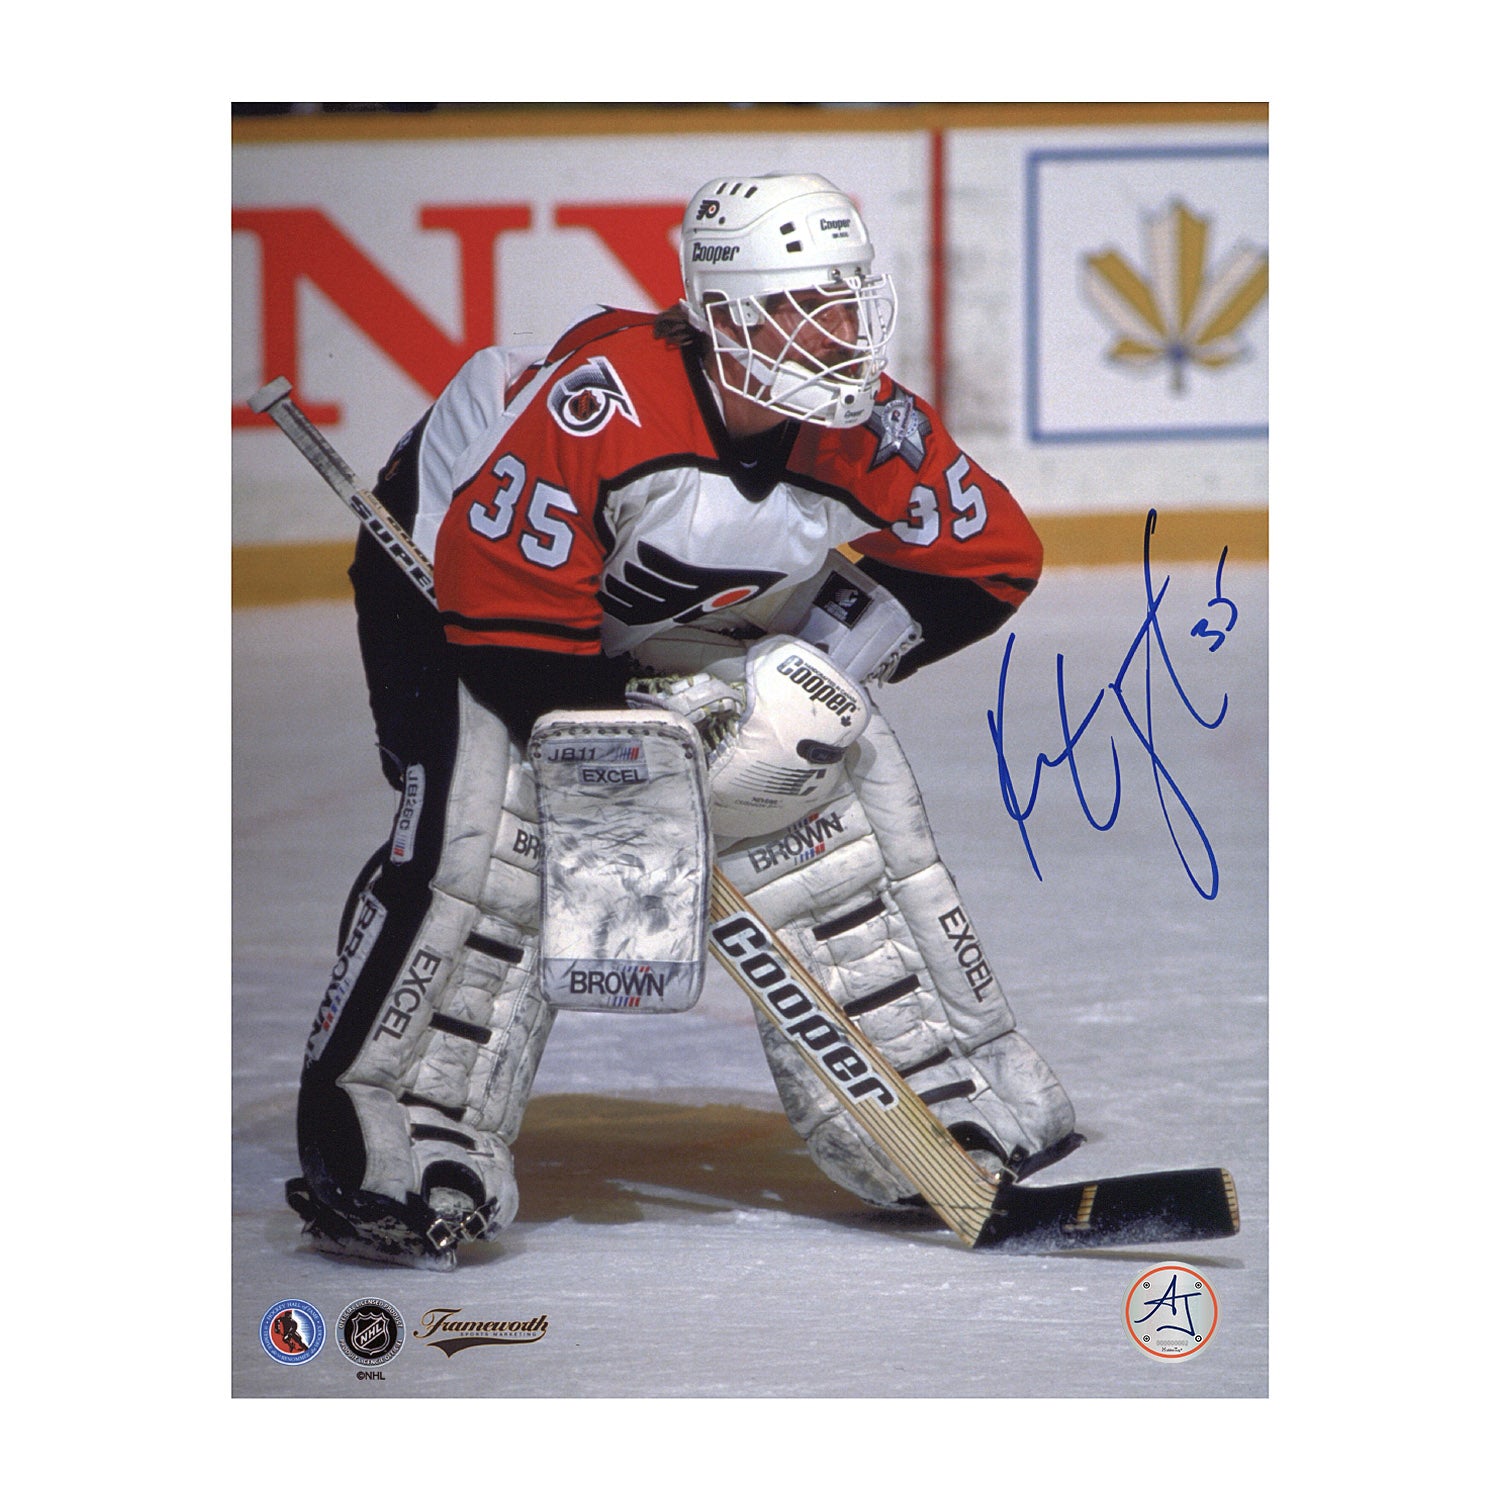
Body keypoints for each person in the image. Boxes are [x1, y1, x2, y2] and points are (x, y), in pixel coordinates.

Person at [286, 172, 1080, 1269]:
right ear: (719, 316)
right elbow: (510, 626)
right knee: (496, 840)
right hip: (450, 588)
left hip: (645, 607)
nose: (836, 332)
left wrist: (808, 678)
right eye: (797, 306)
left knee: (826, 797)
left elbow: (988, 561)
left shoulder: (870, 427)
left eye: (845, 300)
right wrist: (639, 776)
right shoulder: (604, 408)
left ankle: (933, 1101)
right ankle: (398, 1133)